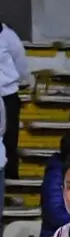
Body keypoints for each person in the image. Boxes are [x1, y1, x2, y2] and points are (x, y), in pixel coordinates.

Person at [0, 20, 24, 181]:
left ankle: (10, 179)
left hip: (7, 92)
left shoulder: (8, 36)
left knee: (9, 138)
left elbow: (21, 63)